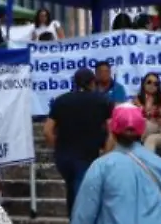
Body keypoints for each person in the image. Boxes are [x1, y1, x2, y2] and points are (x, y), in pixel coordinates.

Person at [43, 69, 112, 214]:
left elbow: (47, 131)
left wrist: (58, 147)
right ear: (93, 82)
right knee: (82, 195)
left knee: (72, 189)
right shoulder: (101, 100)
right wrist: (107, 151)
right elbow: (112, 129)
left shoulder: (61, 100)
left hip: (64, 156)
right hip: (87, 155)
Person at [133, 71, 161, 152]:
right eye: (149, 82)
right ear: (143, 84)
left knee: (147, 126)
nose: (152, 85)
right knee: (149, 138)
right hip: (145, 131)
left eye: (155, 83)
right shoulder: (137, 99)